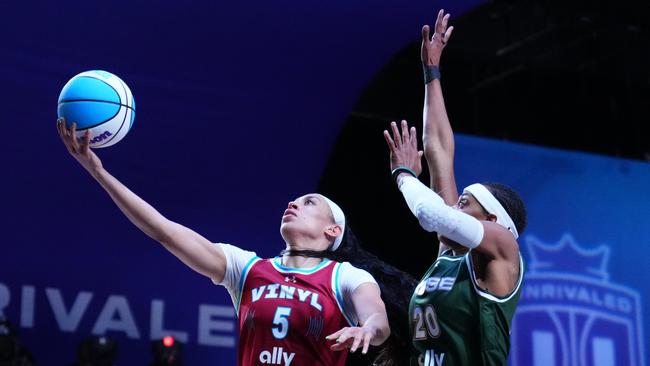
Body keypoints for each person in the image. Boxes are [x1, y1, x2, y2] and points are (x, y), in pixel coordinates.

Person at [56, 119, 401, 365]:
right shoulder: (247, 269)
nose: (293, 204)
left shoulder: (345, 277)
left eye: (310, 202)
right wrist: (98, 172)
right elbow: (163, 229)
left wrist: (367, 329)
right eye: (294, 200)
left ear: (332, 232)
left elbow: (378, 320)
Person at [382, 9, 528, 366]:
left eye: (464, 203)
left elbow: (429, 213)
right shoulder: (450, 256)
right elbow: (440, 154)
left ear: (492, 218)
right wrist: (432, 74)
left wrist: (403, 174)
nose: (454, 209)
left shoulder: (502, 248)